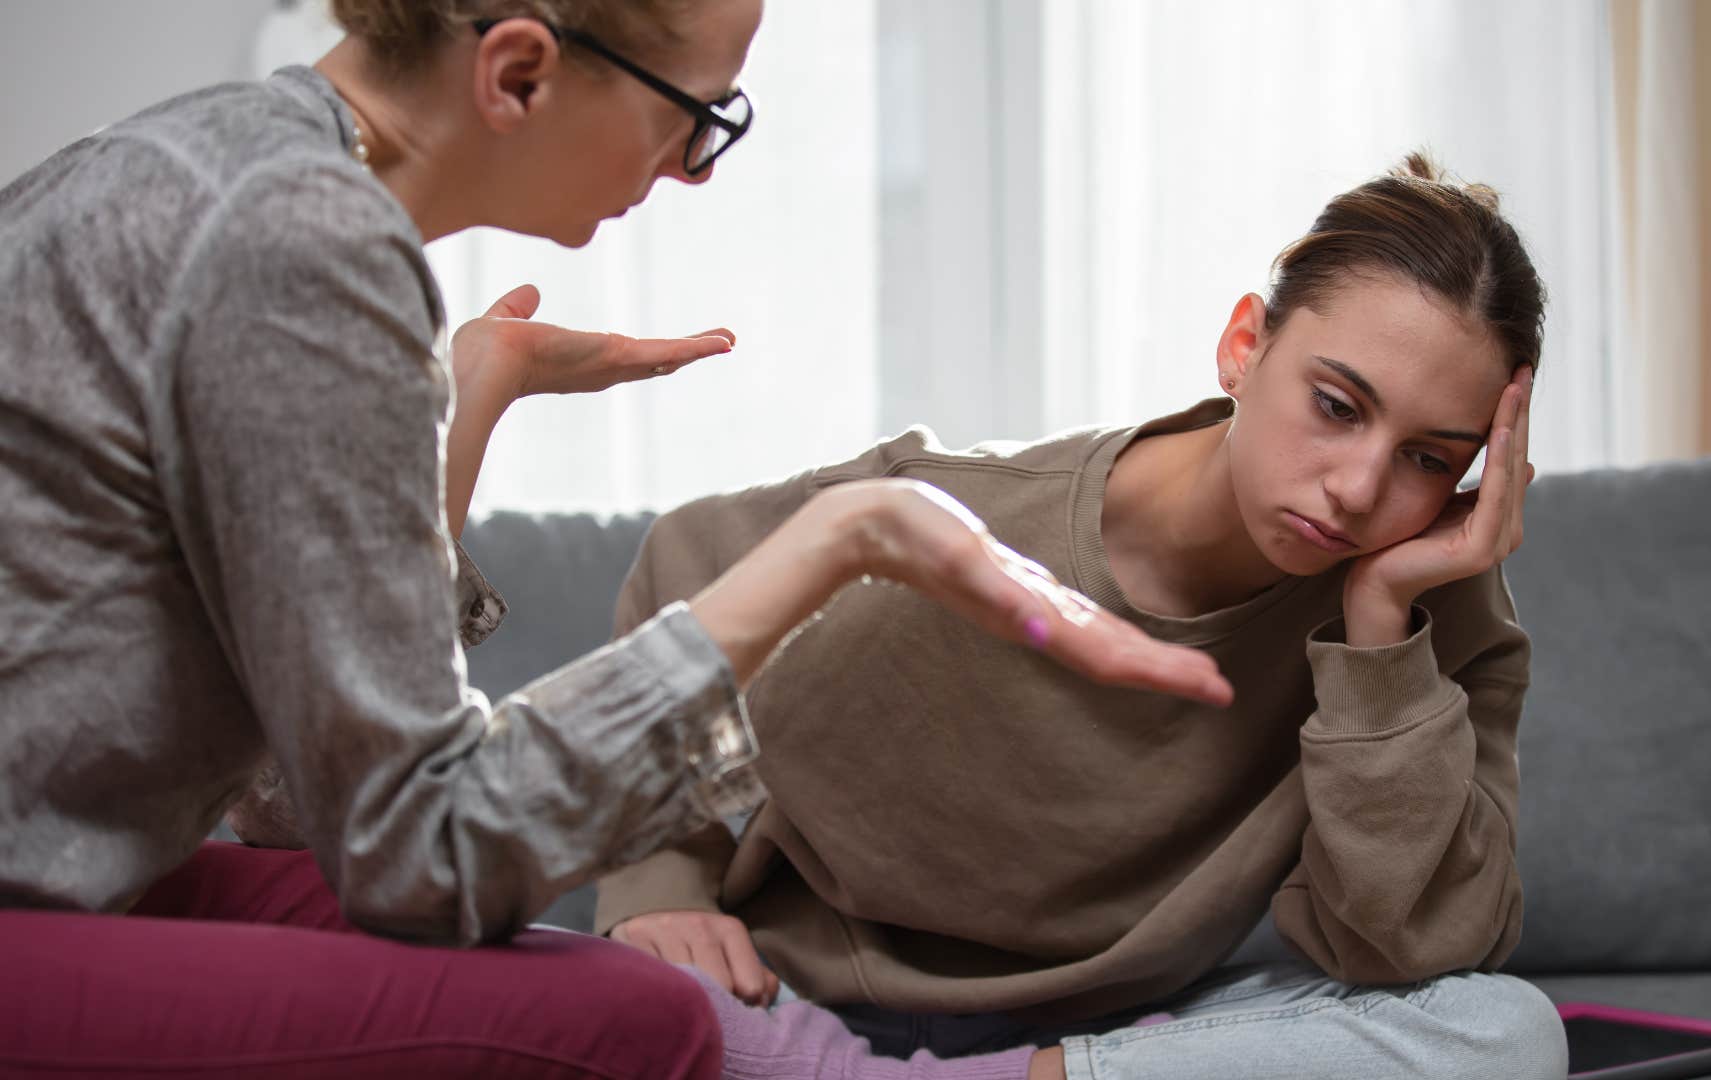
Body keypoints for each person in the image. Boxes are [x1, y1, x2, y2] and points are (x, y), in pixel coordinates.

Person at [0, 2, 1230, 1075]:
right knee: (628, 1021)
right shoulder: (301, 252)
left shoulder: (205, 169)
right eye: (697, 112)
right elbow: (426, 852)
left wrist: (466, 397)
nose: (696, 167)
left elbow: (302, 797)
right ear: (520, 73)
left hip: (74, 872)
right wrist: (838, 542)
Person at [594, 154, 1570, 1080]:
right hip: (806, 999)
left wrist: (1381, 631)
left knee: (1506, 1034)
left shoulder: (1422, 603)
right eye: (1336, 405)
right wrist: (658, 882)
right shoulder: (947, 511)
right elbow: (684, 565)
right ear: (1245, 346)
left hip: (1105, 1042)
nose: (1359, 488)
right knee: (542, 991)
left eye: (1429, 459)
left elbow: (1407, 946)